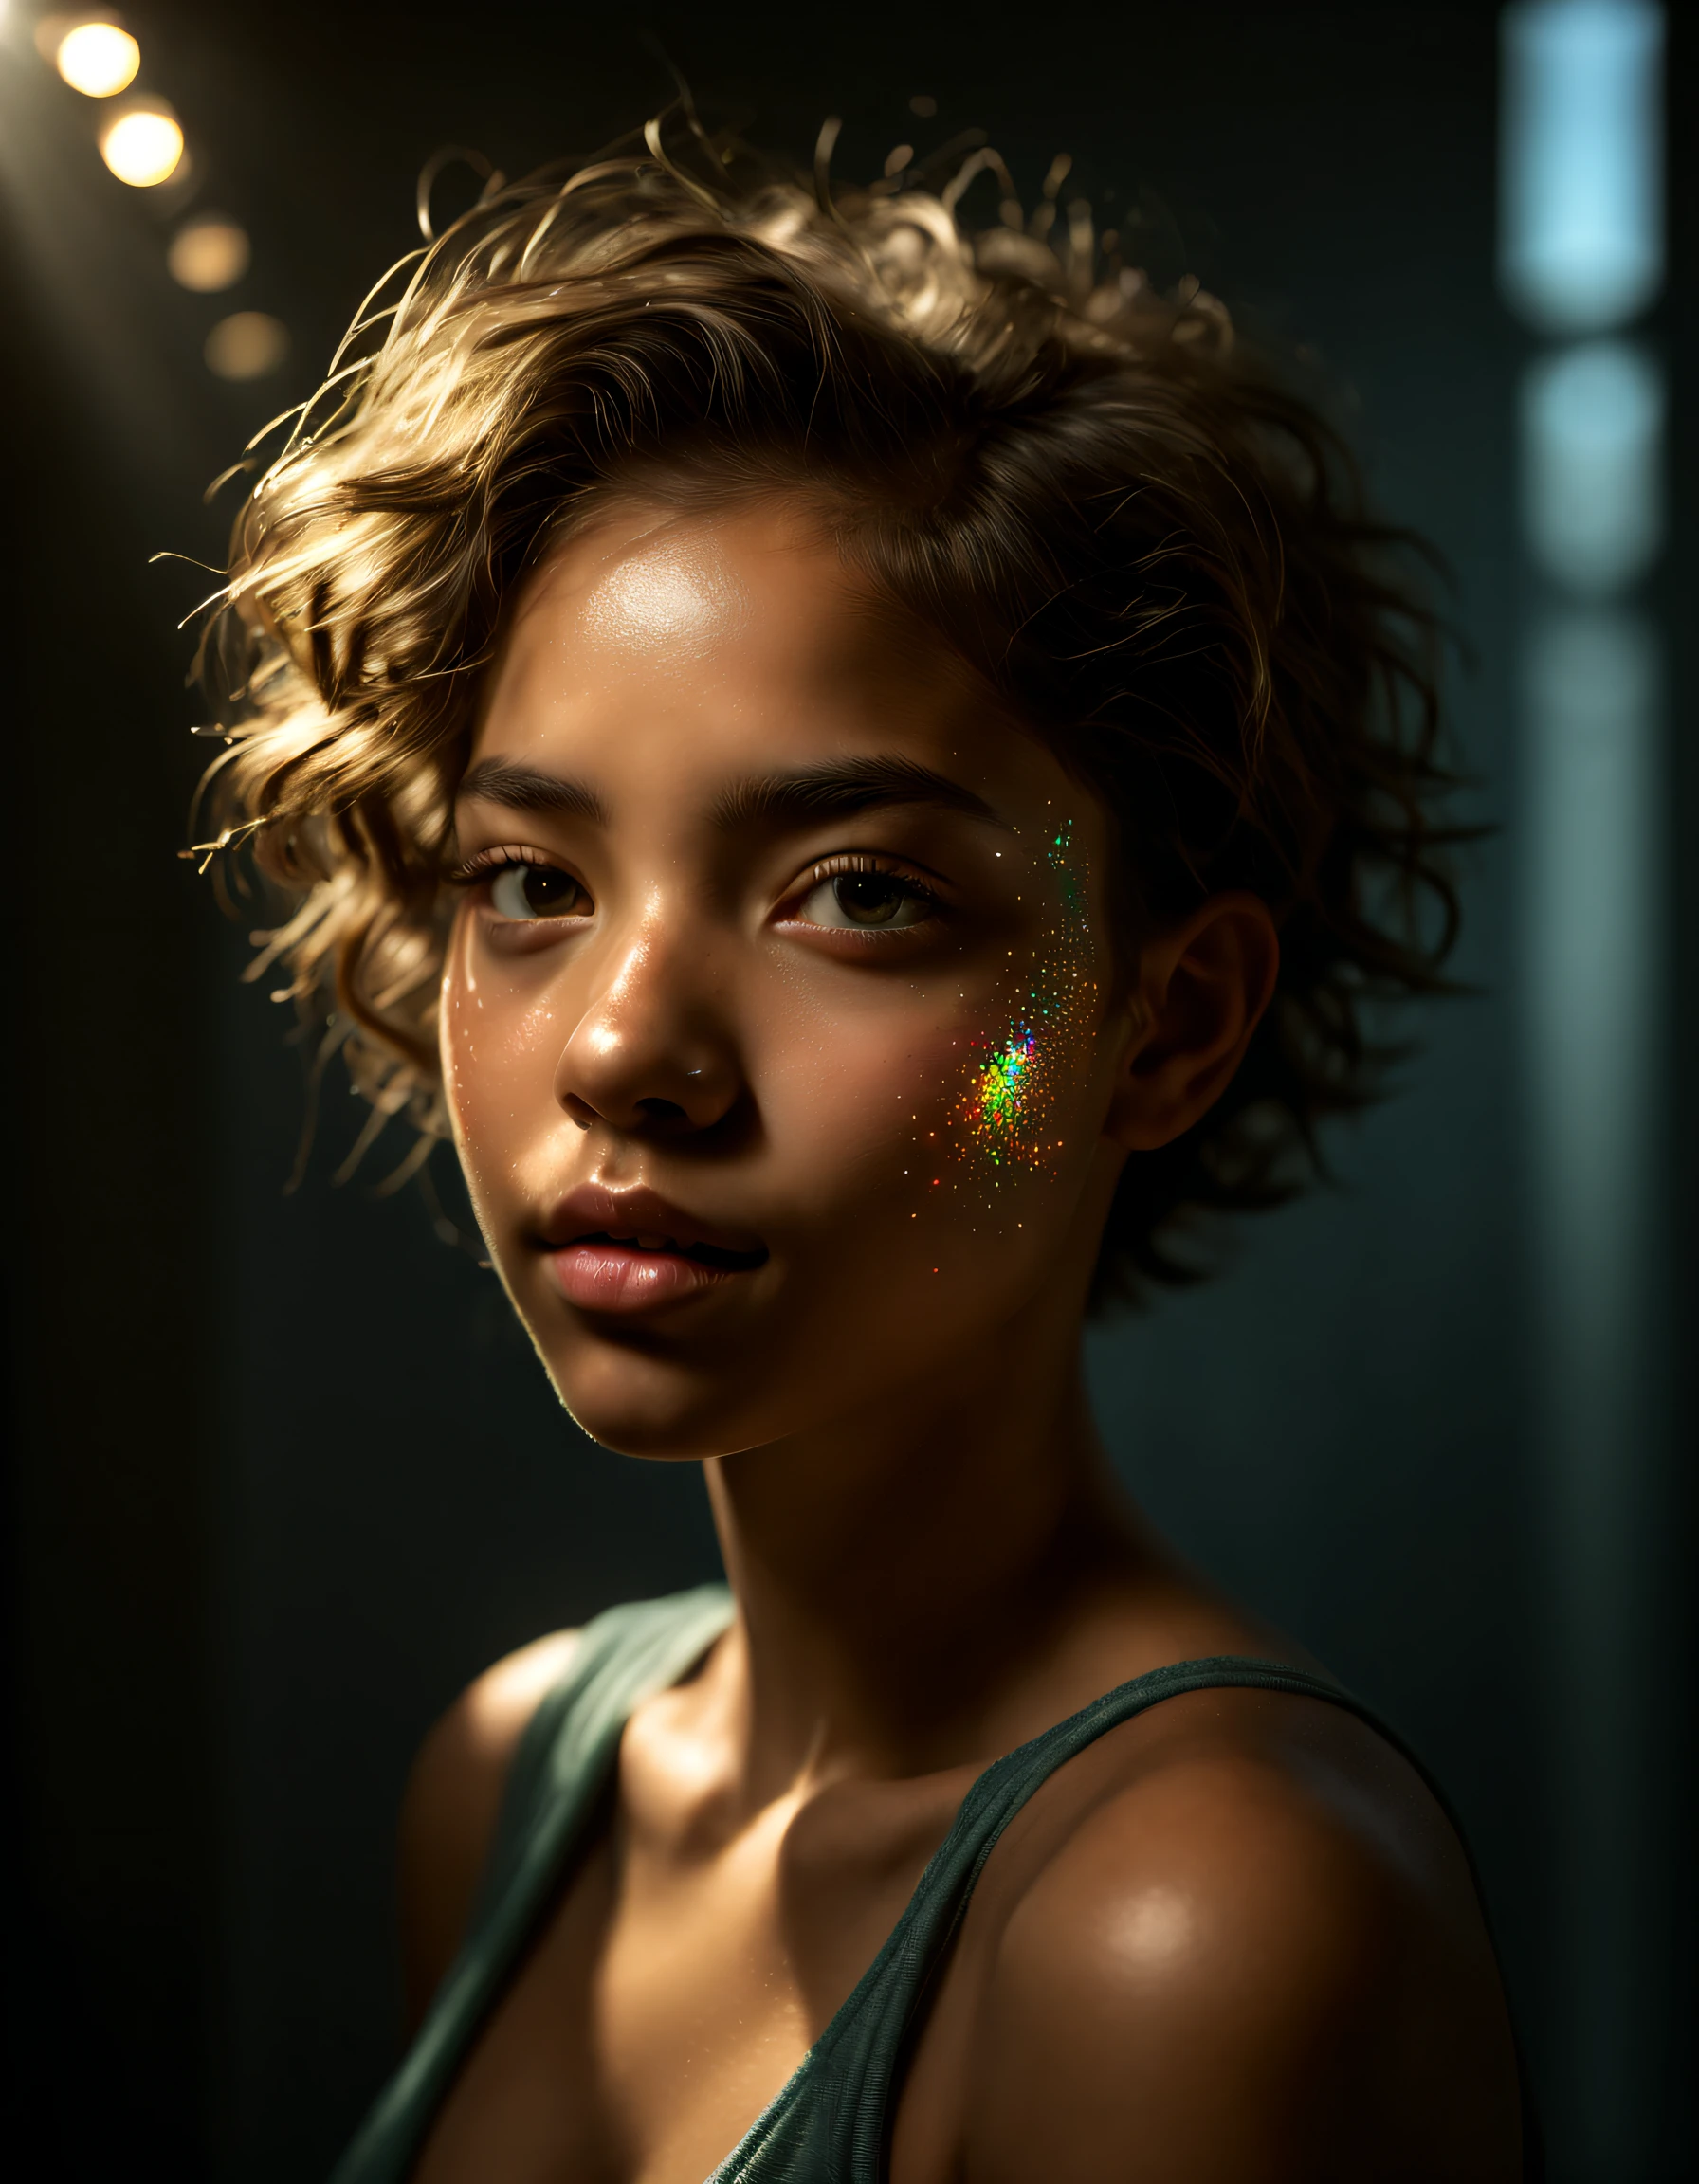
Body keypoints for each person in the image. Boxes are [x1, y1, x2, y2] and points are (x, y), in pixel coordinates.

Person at [199, 105, 1525, 2183]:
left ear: (1159, 1024)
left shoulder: (1190, 1927)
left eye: (857, 893)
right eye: (528, 880)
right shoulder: (514, 1781)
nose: (626, 1047)